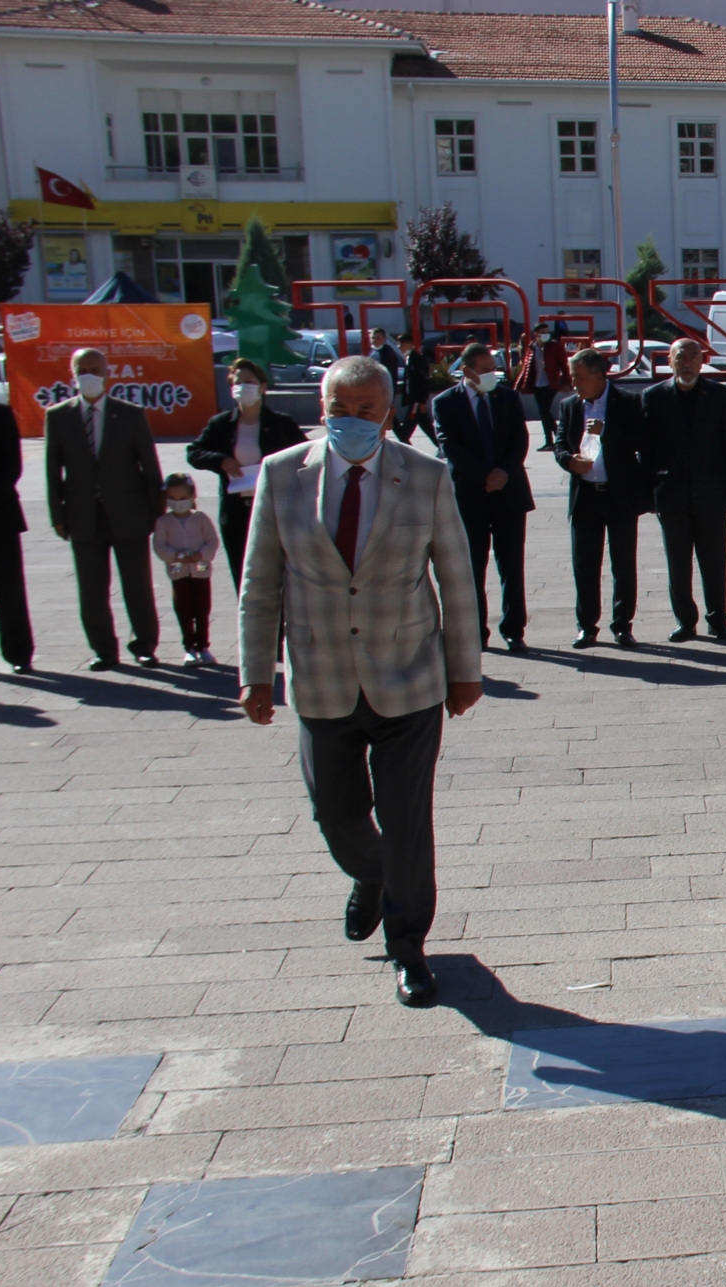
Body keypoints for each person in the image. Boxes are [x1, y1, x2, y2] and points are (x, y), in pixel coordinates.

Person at [238, 356, 481, 1010]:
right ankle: (371, 874)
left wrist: (465, 670)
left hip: (408, 678)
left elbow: (455, 578)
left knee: (406, 820)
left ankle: (409, 946)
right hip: (320, 678)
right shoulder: (283, 474)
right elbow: (260, 583)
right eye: (337, 410)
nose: (349, 421)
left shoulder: (423, 476)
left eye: (364, 410)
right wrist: (256, 673)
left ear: (389, 411)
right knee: (336, 815)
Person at [46, 346, 164, 671]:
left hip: (129, 513)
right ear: (72, 373)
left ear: (108, 374)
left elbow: (149, 466)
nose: (90, 376)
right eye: (83, 369)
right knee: (92, 589)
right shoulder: (58, 416)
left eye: (96, 369)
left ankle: (144, 646)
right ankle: (103, 650)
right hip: (83, 515)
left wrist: (158, 511)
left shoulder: (129, 413)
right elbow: (52, 469)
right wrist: (58, 514)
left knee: (137, 584)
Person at [431, 342, 537, 653]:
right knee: (471, 566)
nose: (492, 374)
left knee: (512, 564)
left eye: (493, 368)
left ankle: (513, 628)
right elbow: (449, 446)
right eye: (485, 370)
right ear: (466, 371)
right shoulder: (445, 402)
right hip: (470, 494)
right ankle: (476, 632)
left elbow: (520, 438)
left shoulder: (507, 397)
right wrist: (485, 474)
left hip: (509, 492)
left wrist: (503, 472)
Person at [643, 337, 726, 642]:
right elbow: (648, 450)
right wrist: (650, 494)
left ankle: (718, 619)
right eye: (681, 357)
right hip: (671, 495)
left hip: (711, 493)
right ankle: (685, 620)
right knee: (678, 562)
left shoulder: (719, 394)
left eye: (693, 356)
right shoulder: (653, 396)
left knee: (714, 561)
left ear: (702, 360)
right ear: (670, 361)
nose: (687, 363)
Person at [554, 347, 650, 648]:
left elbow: (642, 440)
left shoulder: (628, 402)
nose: (575, 383)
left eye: (580, 378)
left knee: (623, 564)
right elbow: (559, 445)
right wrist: (569, 461)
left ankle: (623, 624)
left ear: (599, 376)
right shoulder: (570, 406)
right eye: (573, 377)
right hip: (585, 496)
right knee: (585, 564)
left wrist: (606, 434)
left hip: (618, 495)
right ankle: (587, 626)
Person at [188, 358, 308, 593]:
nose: (244, 386)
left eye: (250, 382)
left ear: (263, 387)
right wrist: (220, 460)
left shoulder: (280, 423)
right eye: (238, 382)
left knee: (277, 575)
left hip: (273, 509)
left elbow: (307, 455)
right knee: (244, 577)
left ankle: (283, 624)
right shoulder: (220, 424)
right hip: (236, 512)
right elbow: (194, 452)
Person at [151, 473, 220, 665]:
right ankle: (189, 647)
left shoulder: (201, 519)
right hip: (178, 571)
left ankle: (203, 646)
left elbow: (212, 541)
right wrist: (176, 555)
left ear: (192, 496)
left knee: (202, 608)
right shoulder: (163, 522)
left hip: (200, 569)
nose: (178, 502)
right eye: (172, 498)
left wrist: (201, 554)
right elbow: (159, 545)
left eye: (182, 498)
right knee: (183, 608)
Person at [0, 401, 27, 674]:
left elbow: (12, 465)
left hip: (0, 514)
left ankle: (18, 652)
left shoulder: (1, 413)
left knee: (9, 590)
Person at [394, 330, 439, 446]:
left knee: (407, 427)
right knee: (426, 425)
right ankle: (441, 445)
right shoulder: (408, 359)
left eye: (401, 344)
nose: (399, 347)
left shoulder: (418, 360)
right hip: (412, 399)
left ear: (409, 344)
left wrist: (423, 401)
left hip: (417, 401)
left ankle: (403, 447)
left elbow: (424, 382)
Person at [531, 324, 569, 449]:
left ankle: (558, 436)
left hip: (550, 383)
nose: (546, 334)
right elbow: (528, 367)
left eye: (547, 331)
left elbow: (564, 365)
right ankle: (550, 441)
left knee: (544, 411)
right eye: (542, 332)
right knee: (543, 413)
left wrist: (566, 382)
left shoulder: (555, 346)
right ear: (536, 334)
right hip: (537, 384)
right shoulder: (532, 347)